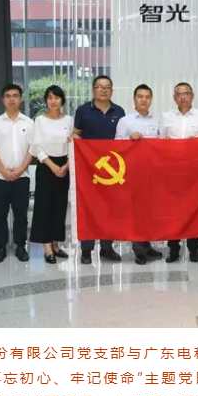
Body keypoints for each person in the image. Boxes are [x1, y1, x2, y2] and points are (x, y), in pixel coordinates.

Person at [72, 75, 126, 265]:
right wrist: (74, 140)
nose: (103, 90)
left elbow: (122, 139)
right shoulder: (83, 111)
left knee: (110, 209)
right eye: (100, 87)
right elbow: (76, 134)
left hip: (113, 170)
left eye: (107, 87)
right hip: (89, 170)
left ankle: (107, 247)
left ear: (112, 90)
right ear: (93, 89)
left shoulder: (119, 111)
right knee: (88, 207)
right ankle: (86, 249)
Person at [160, 82, 198, 263]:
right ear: (174, 97)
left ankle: (193, 248)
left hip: (194, 172)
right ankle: (173, 249)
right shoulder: (166, 117)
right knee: (172, 211)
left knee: (193, 210)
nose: (183, 96)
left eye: (186, 93)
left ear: (192, 96)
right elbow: (160, 143)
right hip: (172, 171)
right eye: (179, 94)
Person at [0, 83, 34, 264]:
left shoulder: (29, 123)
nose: (12, 99)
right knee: (0, 214)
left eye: (15, 96)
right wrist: (4, 170)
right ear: (3, 100)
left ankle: (21, 246)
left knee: (21, 214)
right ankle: (1, 247)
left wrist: (20, 169)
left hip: (22, 177)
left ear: (20, 99)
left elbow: (32, 149)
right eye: (8, 96)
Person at [115, 84, 163, 265]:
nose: (144, 100)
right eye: (140, 96)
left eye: (147, 97)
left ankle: (147, 245)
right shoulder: (125, 121)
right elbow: (115, 144)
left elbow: (162, 143)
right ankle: (139, 250)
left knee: (150, 211)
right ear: (134, 99)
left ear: (151, 99)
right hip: (133, 172)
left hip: (153, 172)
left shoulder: (157, 120)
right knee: (136, 212)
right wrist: (129, 139)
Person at [29, 85, 73, 264]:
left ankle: (55, 244)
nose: (53, 101)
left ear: (62, 100)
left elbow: (72, 144)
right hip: (46, 166)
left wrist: (67, 166)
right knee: (44, 206)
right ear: (46, 101)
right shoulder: (40, 120)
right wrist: (53, 166)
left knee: (60, 206)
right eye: (50, 98)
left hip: (65, 166)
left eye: (56, 97)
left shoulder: (69, 119)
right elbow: (36, 146)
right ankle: (47, 247)